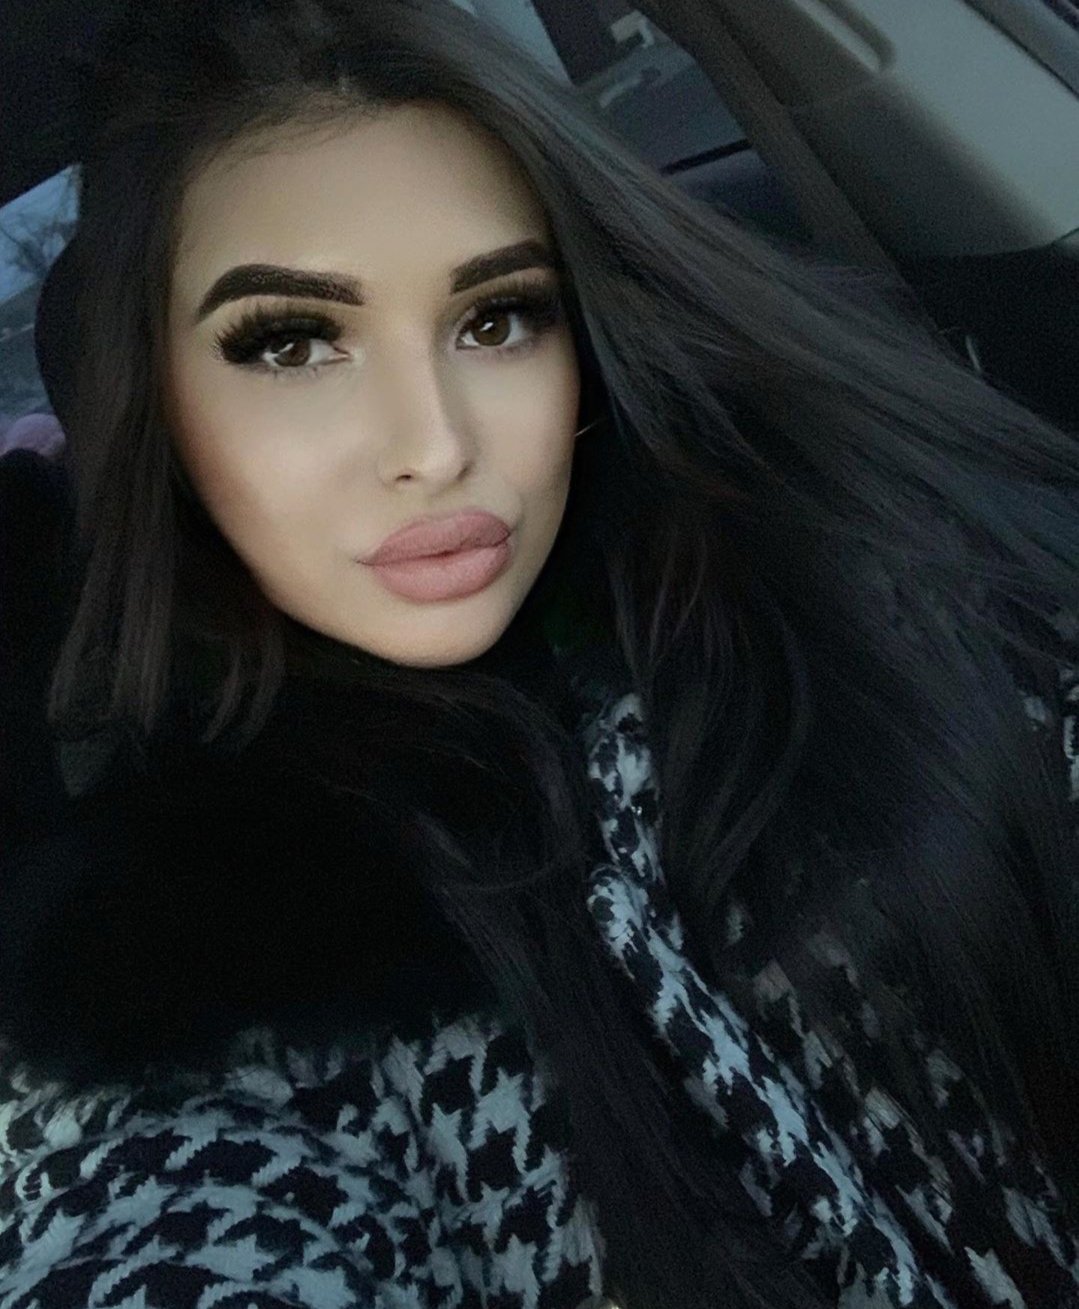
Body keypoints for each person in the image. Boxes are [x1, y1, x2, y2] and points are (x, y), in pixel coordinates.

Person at [1, 1, 1077, 1306]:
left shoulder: (869, 594)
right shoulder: (167, 991)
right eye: (290, 341)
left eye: (499, 317)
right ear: (158, 407)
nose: (435, 443)